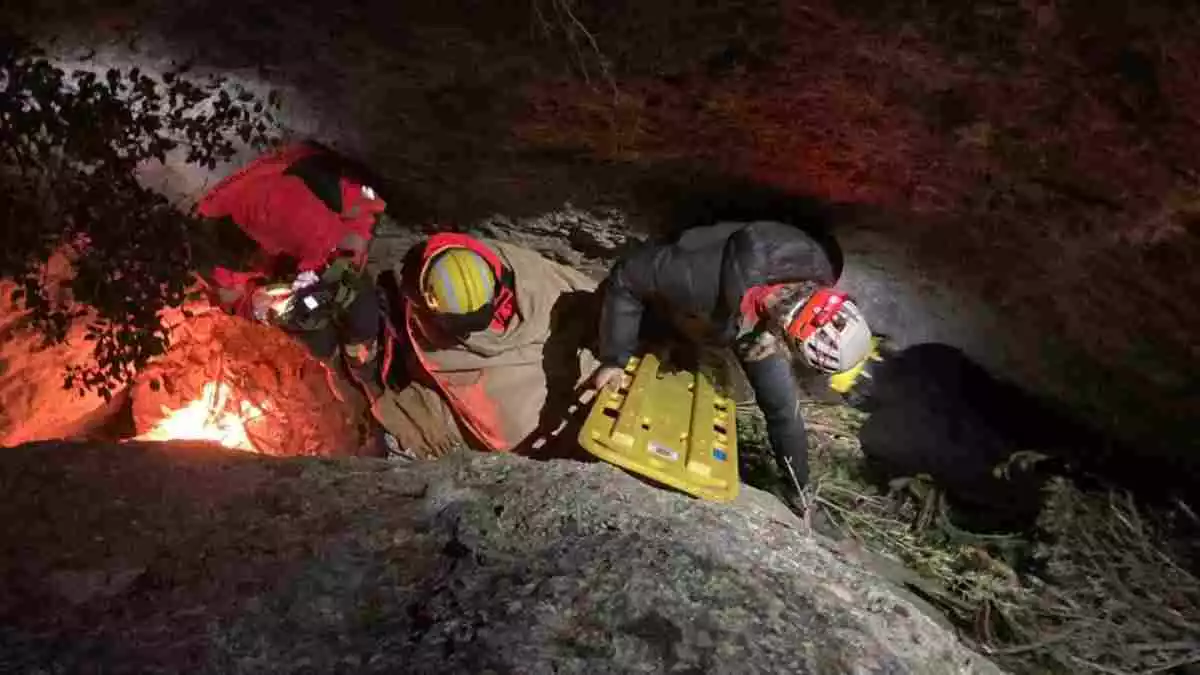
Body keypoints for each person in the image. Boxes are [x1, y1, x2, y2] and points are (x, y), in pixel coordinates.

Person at [593, 221, 872, 494]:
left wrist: (801, 492)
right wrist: (614, 360)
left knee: (783, 409)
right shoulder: (700, 280)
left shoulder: (821, 269)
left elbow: (781, 403)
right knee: (680, 334)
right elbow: (627, 278)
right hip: (699, 297)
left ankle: (798, 486)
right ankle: (671, 334)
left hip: (755, 318)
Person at [370, 232, 600, 458]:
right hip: (506, 379)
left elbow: (575, 297)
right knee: (516, 423)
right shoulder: (417, 296)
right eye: (462, 329)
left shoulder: (522, 275)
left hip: (562, 352)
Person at [187, 142, 388, 369]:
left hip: (338, 223)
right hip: (291, 254)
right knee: (315, 335)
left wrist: (330, 276)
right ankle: (333, 356)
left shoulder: (291, 210)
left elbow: (345, 240)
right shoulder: (215, 249)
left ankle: (361, 344)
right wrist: (257, 305)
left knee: (356, 303)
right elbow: (232, 297)